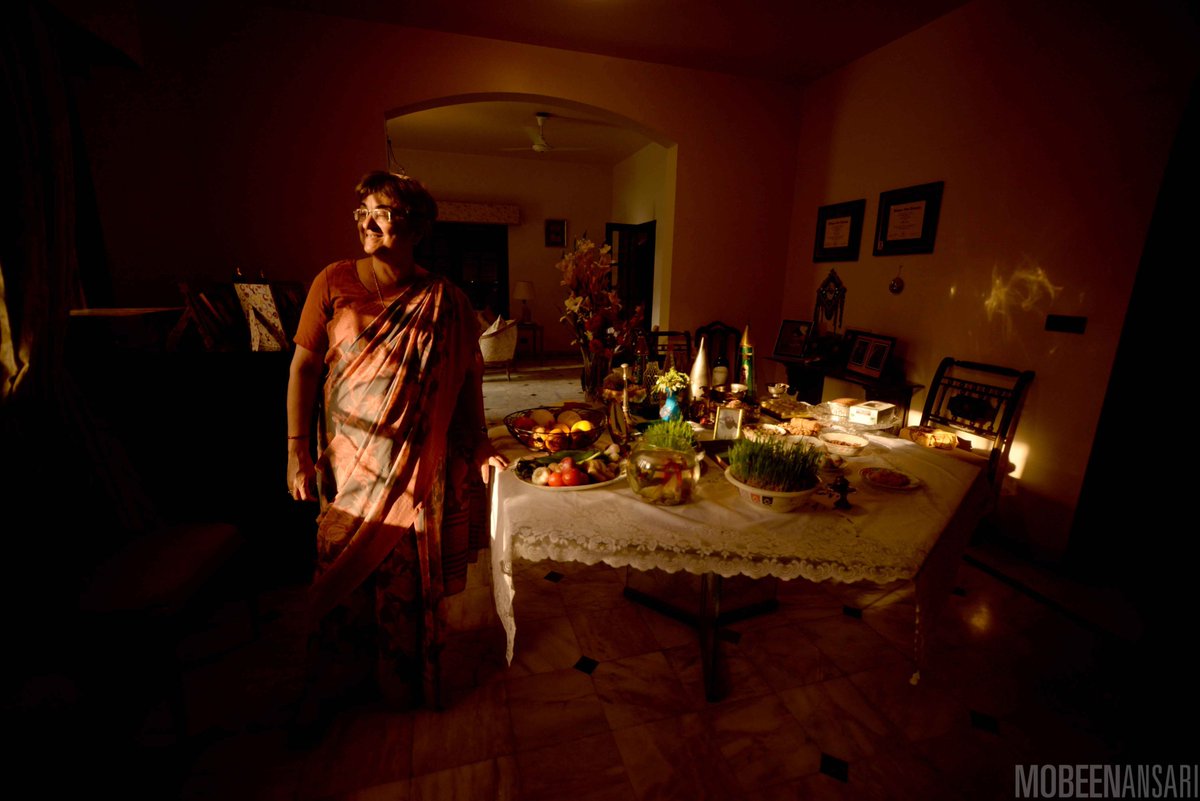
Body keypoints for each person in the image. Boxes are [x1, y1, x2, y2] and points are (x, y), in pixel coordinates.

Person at [286, 171, 507, 720]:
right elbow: (304, 366)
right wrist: (295, 449)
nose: (366, 220)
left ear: (415, 225)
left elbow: (468, 381)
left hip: (417, 468)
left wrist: (477, 445)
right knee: (339, 570)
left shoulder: (447, 300)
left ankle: (405, 680)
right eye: (362, 210)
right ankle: (337, 684)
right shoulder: (333, 282)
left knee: (409, 576)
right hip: (348, 464)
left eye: (380, 210)